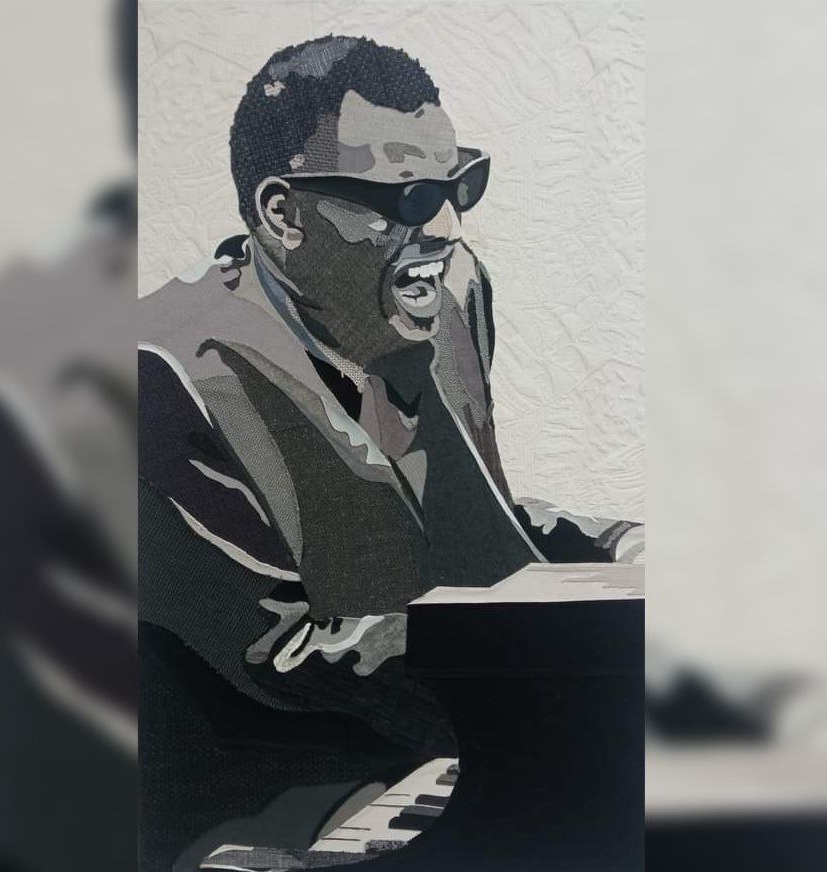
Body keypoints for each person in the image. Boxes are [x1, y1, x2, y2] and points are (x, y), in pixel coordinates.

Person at [138, 35, 643, 870]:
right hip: (286, 808)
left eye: (458, 185)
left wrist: (613, 550)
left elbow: (466, 531)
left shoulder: (451, 294)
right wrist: (566, 662)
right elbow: (288, 655)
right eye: (408, 196)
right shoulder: (161, 375)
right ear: (283, 214)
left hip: (471, 747)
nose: (446, 226)